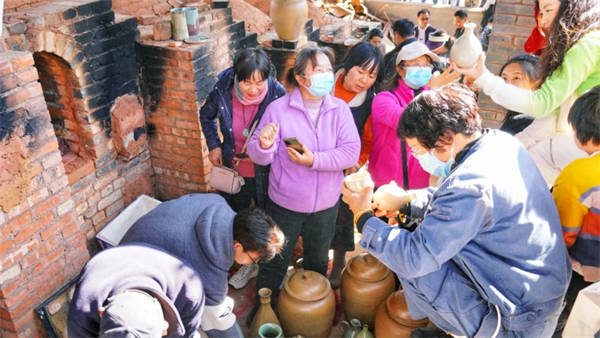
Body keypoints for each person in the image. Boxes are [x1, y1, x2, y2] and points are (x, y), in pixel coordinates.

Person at [342, 84, 570, 338]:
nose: (419, 157)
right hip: (538, 286)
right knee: (419, 234)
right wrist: (408, 200)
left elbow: (416, 257)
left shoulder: (471, 183)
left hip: (516, 313)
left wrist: (363, 217)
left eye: (418, 150)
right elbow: (459, 206)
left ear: (447, 138)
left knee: (416, 262)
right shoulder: (499, 143)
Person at [245, 46, 361, 324]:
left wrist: (314, 159)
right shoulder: (278, 109)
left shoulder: (339, 109)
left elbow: (351, 152)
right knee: (274, 261)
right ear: (299, 77)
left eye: (328, 70)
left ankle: (315, 311)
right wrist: (263, 143)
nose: (326, 76)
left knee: (318, 260)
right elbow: (259, 155)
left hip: (326, 204)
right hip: (285, 203)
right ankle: (264, 310)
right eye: (318, 71)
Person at [452, 0, 600, 186]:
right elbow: (553, 114)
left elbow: (541, 104)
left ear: (571, 9)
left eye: (548, 10)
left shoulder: (587, 45)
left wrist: (484, 78)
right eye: (541, 12)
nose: (542, 19)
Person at [119, 194, 285, 338]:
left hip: (131, 243)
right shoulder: (210, 271)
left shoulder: (216, 203)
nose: (252, 264)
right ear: (238, 247)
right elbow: (218, 321)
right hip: (129, 280)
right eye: (253, 260)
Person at [200, 48, 287, 213]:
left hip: (267, 174)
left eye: (259, 83)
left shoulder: (278, 94)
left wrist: (263, 153)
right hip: (233, 170)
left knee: (265, 220)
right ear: (236, 77)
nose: (253, 90)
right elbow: (206, 115)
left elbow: (288, 134)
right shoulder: (223, 90)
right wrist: (214, 145)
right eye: (246, 83)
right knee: (235, 217)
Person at [328, 42, 385, 289]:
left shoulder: (369, 102)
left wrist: (356, 162)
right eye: (360, 71)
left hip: (343, 168)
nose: (364, 80)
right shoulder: (323, 86)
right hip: (313, 162)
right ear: (348, 65)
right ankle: (315, 253)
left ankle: (338, 261)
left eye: (371, 75)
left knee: (341, 216)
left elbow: (367, 140)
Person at [68, 244, 205, 338]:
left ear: (165, 327)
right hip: (108, 262)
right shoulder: (82, 311)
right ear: (102, 313)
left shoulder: (190, 291)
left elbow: (187, 334)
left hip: (162, 256)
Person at [371, 42, 457, 190]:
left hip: (419, 188)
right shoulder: (384, 99)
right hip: (386, 186)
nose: (422, 69)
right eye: (415, 64)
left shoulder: (435, 96)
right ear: (400, 70)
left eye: (426, 65)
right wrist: (433, 92)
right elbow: (410, 121)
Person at [552, 86, 600, 335]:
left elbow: (561, 235)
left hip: (585, 274)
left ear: (586, 135)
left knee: (568, 325)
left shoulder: (579, 174)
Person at [498, 54, 540, 135]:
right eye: (504, 78)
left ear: (537, 84)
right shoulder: (517, 118)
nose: (507, 84)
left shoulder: (525, 122)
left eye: (516, 78)